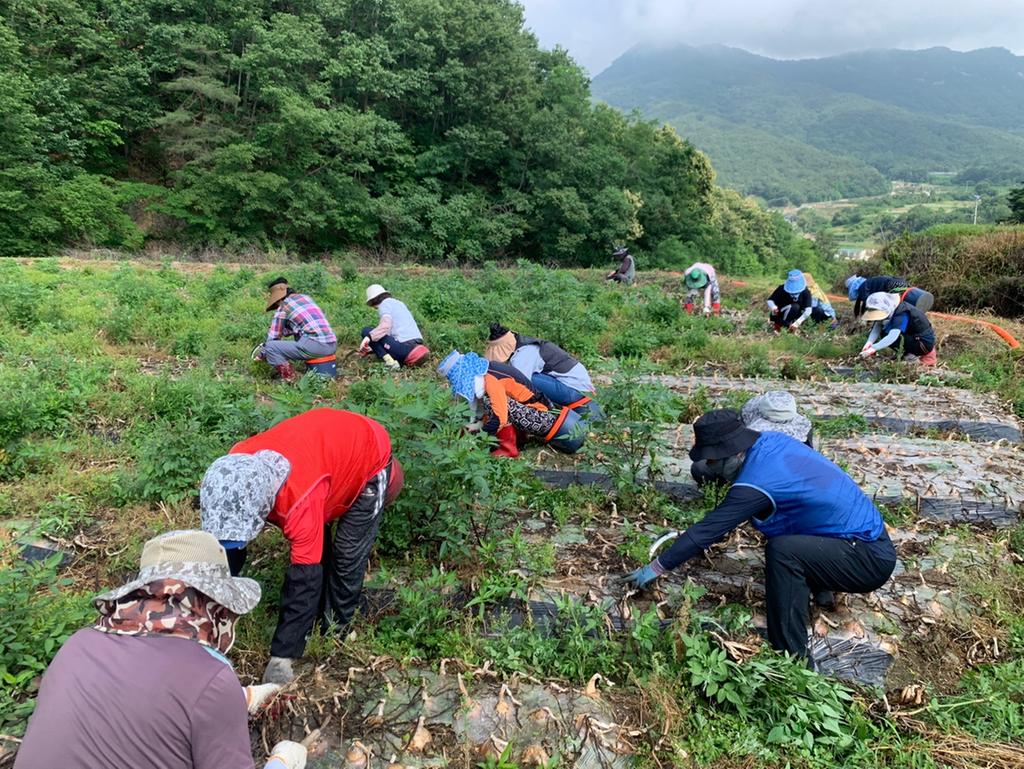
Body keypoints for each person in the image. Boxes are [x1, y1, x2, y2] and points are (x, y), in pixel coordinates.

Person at [14, 530, 307, 769]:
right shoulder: (211, 679)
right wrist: (282, 762)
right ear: (211, 605)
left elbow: (140, 701)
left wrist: (241, 697)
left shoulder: (78, 644)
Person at [626, 409, 897, 660]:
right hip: (851, 538)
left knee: (783, 551)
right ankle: (821, 585)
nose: (710, 467)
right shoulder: (770, 442)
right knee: (783, 525)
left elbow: (707, 530)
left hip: (866, 558)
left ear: (733, 453)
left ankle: (792, 656)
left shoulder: (755, 484)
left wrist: (656, 567)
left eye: (712, 461)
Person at [200, 408, 403, 685]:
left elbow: (303, 579)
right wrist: (210, 607)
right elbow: (225, 547)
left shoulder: (298, 501)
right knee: (315, 544)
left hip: (367, 450)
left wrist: (281, 656)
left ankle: (337, 629)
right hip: (324, 454)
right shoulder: (233, 468)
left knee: (346, 555)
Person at [438, 350, 586, 458]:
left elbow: (500, 417)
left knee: (493, 405)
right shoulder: (487, 371)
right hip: (537, 415)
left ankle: (508, 449)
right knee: (493, 405)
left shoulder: (490, 379)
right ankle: (518, 439)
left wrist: (477, 437)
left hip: (545, 419)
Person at [690, 391, 813, 486]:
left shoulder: (804, 432)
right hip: (745, 463)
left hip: (777, 474)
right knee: (700, 468)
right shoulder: (748, 415)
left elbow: (802, 464)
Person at [484, 324, 600, 420]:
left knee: (523, 382)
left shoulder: (523, 354)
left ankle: (544, 414)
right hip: (578, 388)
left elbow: (521, 386)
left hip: (575, 391)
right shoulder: (527, 345)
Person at [254, 277, 337, 383]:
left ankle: (290, 379)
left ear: (278, 299)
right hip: (332, 345)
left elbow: (273, 338)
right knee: (299, 337)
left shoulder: (283, 307)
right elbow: (303, 327)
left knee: (271, 347)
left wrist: (262, 355)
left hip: (316, 347)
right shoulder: (306, 298)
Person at [360, 284, 429, 370]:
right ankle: (399, 362)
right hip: (416, 345)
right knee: (377, 336)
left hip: (404, 348)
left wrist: (368, 338)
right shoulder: (399, 303)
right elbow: (389, 336)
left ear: (373, 301)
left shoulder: (384, 305)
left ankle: (390, 362)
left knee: (366, 331)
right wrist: (372, 348)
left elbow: (385, 326)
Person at [859, 291, 937, 365]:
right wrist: (869, 343)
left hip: (923, 343)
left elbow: (893, 336)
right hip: (912, 336)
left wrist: (873, 348)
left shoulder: (902, 313)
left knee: (887, 335)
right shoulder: (890, 309)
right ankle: (905, 353)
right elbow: (878, 326)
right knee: (883, 332)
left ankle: (913, 356)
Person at [846, 274, 934, 318]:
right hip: (900, 283)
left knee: (894, 305)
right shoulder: (868, 283)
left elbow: (869, 303)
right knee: (900, 302)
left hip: (892, 286)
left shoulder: (862, 289)